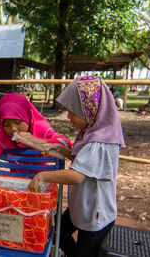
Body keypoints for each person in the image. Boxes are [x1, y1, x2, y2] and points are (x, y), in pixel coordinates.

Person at [27, 75, 125, 257]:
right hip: (83, 205)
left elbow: (77, 175)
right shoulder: (91, 132)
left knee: (84, 251)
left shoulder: (99, 141)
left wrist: (42, 176)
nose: (68, 116)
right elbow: (82, 160)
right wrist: (60, 148)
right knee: (59, 232)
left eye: (72, 111)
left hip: (95, 212)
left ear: (90, 110)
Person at [0, 92, 72, 187]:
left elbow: (66, 143)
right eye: (6, 125)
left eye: (17, 122)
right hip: (18, 183)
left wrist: (39, 140)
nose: (13, 129)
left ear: (27, 117)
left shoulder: (40, 128)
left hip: (42, 183)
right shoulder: (3, 135)